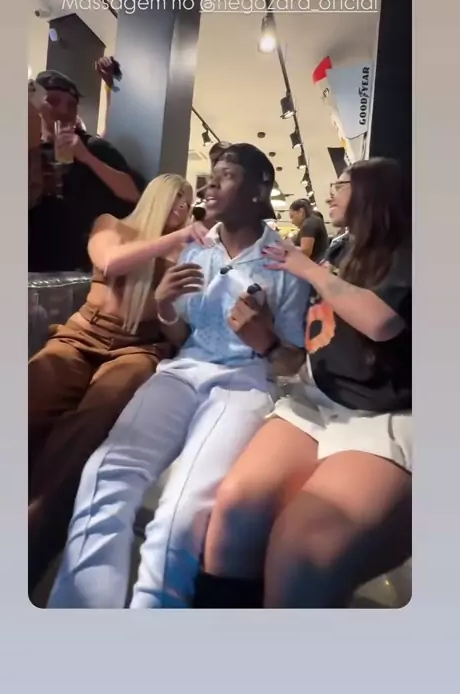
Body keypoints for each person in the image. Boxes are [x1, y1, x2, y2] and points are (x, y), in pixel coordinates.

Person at [47, 143, 311, 609]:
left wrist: (266, 341)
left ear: (259, 189)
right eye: (212, 173)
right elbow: (180, 331)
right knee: (105, 473)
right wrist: (165, 304)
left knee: (182, 510)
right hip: (183, 371)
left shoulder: (284, 262)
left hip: (245, 382)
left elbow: (292, 363)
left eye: (226, 174)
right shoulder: (195, 250)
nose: (211, 184)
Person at [194, 157, 412, 609]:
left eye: (343, 184)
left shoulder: (408, 253)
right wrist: (266, 339)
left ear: (374, 193)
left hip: (383, 416)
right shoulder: (342, 250)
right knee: (235, 510)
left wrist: (307, 269)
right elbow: (308, 348)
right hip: (315, 400)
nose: (332, 192)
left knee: (302, 552)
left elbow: (381, 322)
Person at [28, 174, 205, 598]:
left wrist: (166, 302)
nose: (183, 207)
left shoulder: (187, 257)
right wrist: (174, 240)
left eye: (188, 201)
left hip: (140, 347)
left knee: (91, 427)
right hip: (82, 334)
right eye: (177, 198)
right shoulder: (113, 225)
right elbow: (109, 263)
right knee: (32, 396)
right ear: (156, 197)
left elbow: (181, 334)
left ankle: (32, 535)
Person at [28, 69, 144, 272]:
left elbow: (134, 193)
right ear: (38, 104)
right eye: (54, 101)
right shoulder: (30, 150)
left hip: (83, 266)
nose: (64, 111)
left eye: (71, 105)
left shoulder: (94, 147)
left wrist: (87, 157)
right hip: (33, 264)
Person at [289, 198, 329, 262]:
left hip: (315, 264)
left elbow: (305, 252)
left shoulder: (308, 224)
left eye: (292, 217)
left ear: (301, 212)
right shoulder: (313, 221)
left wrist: (287, 248)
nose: (292, 222)